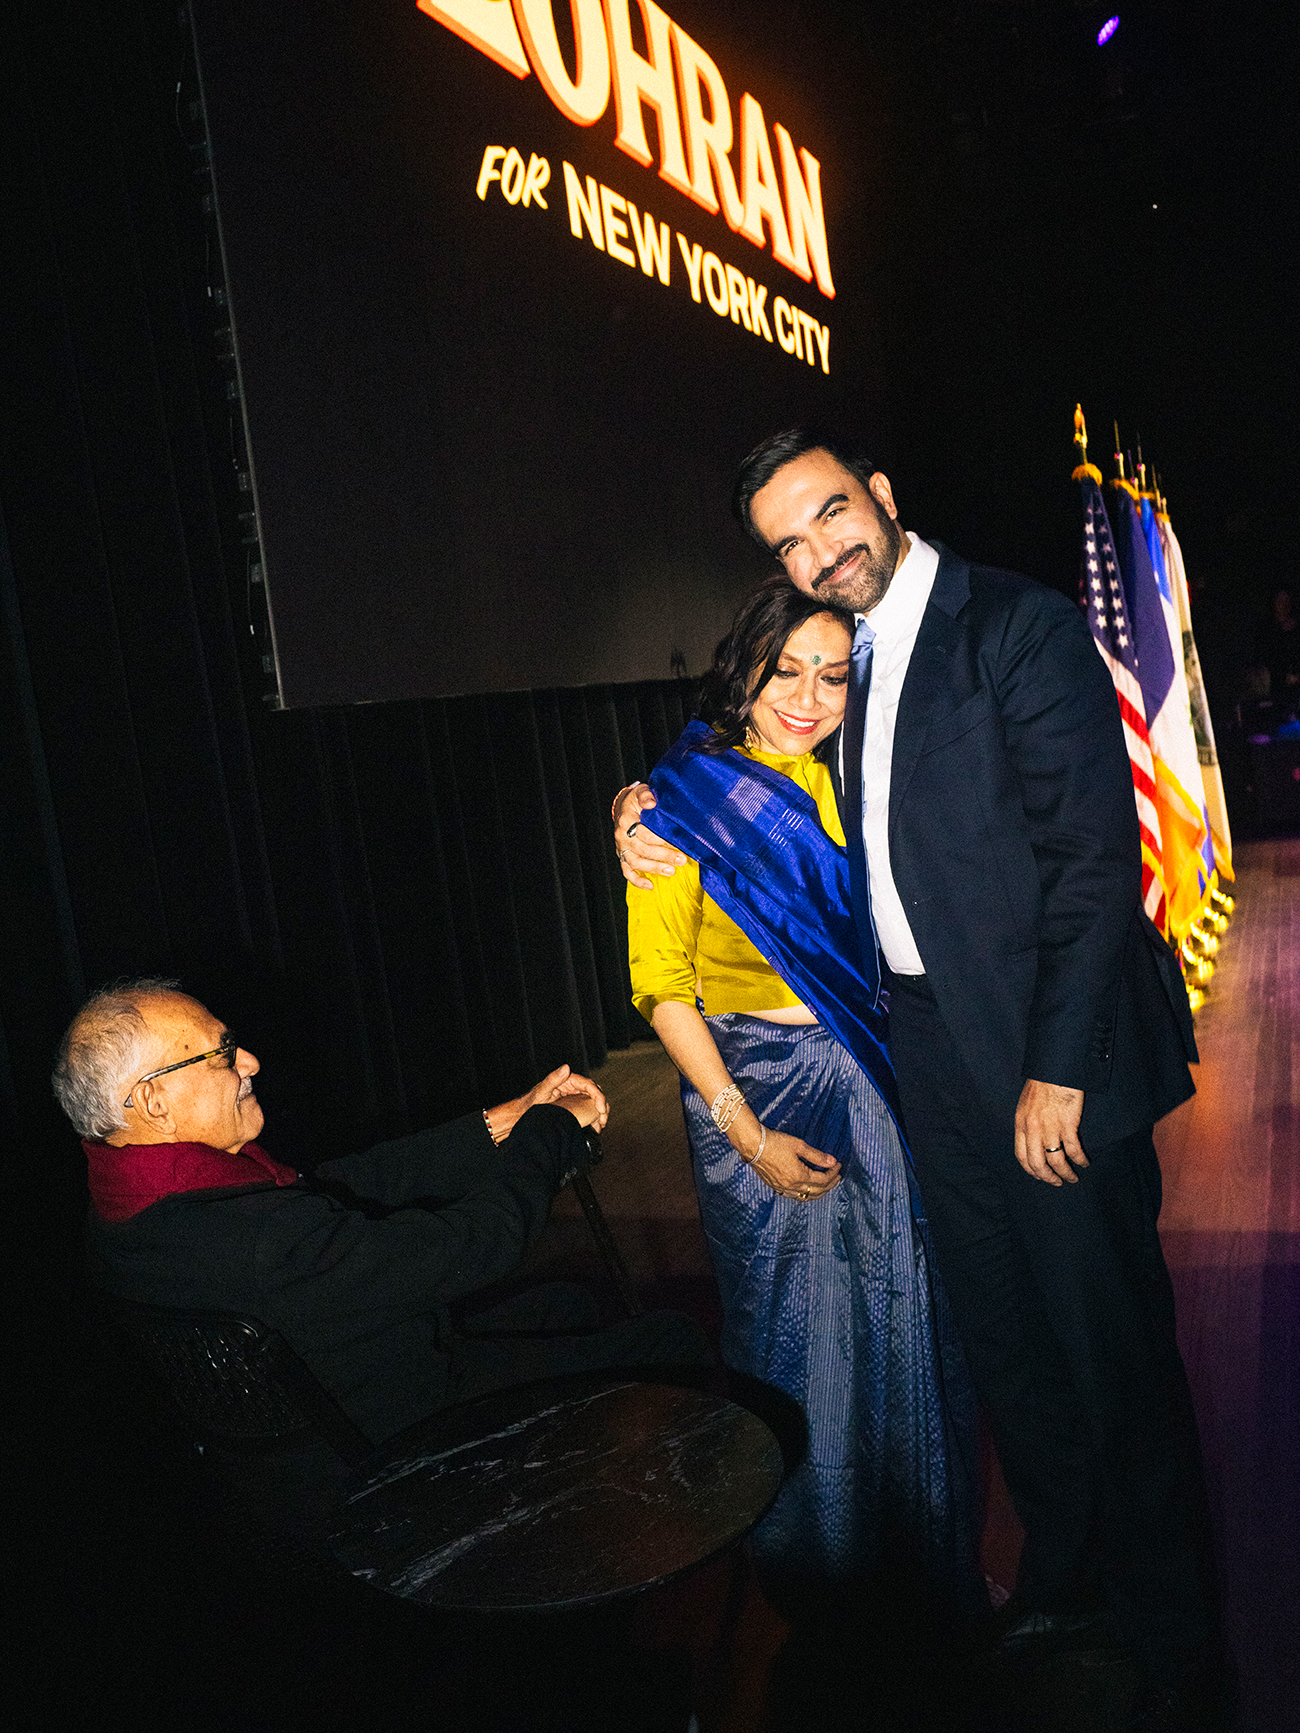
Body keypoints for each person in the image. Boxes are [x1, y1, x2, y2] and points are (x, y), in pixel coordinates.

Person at [615, 430, 1224, 1731]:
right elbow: (759, 753)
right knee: (1008, 1343)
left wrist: (1057, 1069)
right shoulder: (848, 658)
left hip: (1046, 1052)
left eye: (831, 512)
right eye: (787, 542)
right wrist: (642, 805)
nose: (820, 550)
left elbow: (1092, 864)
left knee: (1109, 1353)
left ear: (881, 496)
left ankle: (1176, 1644)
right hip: (926, 1056)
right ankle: (1065, 1586)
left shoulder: (1015, 625)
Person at [625, 577, 983, 1623]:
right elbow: (662, 987)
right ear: (744, 668)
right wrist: (747, 1135)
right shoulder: (680, 802)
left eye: (833, 677)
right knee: (793, 1338)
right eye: (787, 670)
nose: (808, 697)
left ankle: (923, 1564)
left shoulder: (854, 782)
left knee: (904, 1317)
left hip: (874, 1077)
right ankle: (814, 1581)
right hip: (754, 1094)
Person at [58, 979, 709, 1443]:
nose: (249, 1062)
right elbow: (478, 1243)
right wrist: (550, 1130)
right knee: (669, 1340)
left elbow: (350, 1185)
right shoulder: (261, 1239)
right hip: (401, 1439)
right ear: (154, 1102)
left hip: (330, 1414)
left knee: (568, 1303)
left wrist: (506, 1120)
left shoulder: (129, 1206)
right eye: (222, 1053)